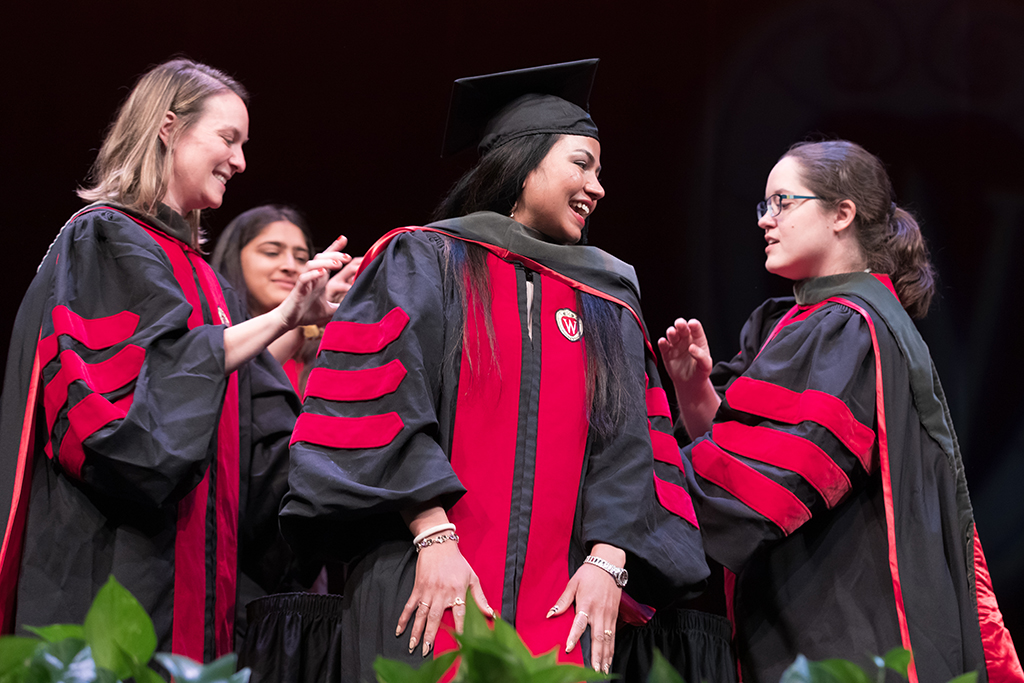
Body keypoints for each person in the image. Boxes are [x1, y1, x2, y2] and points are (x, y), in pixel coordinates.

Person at [278, 60, 719, 681]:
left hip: (565, 599)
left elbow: (629, 447)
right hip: (426, 580)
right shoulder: (424, 259)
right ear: (523, 159)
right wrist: (434, 536)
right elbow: (379, 408)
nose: (598, 188)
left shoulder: (605, 299)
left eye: (600, 170)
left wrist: (607, 562)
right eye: (581, 163)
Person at [0, 58, 344, 662]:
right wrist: (280, 318)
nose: (240, 162)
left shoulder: (208, 281)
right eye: (227, 138)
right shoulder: (104, 238)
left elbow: (260, 444)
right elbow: (125, 418)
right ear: (167, 127)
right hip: (109, 567)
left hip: (196, 578)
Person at [659, 140, 1022, 683]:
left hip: (850, 634)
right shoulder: (797, 321)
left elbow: (767, 485)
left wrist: (626, 492)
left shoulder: (845, 327)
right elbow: (750, 450)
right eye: (763, 206)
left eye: (782, 202)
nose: (766, 220)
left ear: (841, 214)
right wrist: (694, 391)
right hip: (807, 622)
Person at [211, 205, 362, 395]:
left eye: (300, 258)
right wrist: (301, 324)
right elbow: (239, 385)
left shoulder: (319, 354)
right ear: (234, 258)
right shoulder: (206, 331)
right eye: (272, 252)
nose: (290, 266)